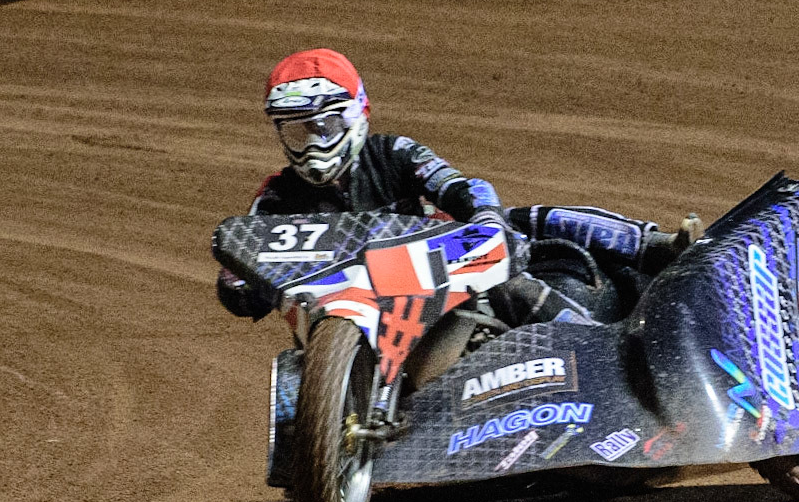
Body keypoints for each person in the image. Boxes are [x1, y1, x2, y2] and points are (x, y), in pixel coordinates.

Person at [217, 49, 696, 326]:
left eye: (326, 124)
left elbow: (459, 188)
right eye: (299, 130)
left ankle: (656, 250)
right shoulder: (277, 198)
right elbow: (241, 279)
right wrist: (245, 284)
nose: (314, 141)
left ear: (356, 114)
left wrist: (484, 216)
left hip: (442, 284)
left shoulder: (394, 153)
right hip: (350, 318)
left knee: (517, 245)